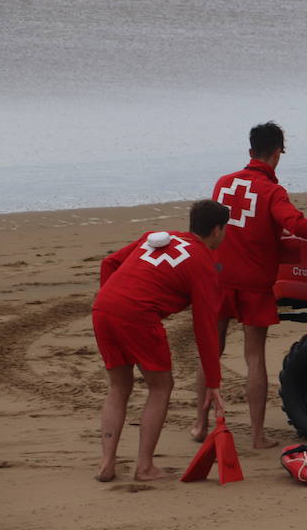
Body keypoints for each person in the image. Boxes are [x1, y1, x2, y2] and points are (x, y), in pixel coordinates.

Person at [191, 121, 307, 449]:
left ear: (250, 151)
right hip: (253, 283)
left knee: (211, 351)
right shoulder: (272, 191)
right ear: (278, 153)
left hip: (217, 277)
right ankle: (257, 435)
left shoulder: (222, 184)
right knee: (254, 358)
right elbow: (294, 223)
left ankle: (198, 424)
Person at [92, 199, 230, 482]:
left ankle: (106, 464)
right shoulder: (203, 264)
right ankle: (144, 467)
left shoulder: (156, 237)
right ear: (216, 230)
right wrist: (213, 383)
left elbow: (110, 262)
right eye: (225, 230)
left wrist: (114, 299)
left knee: (119, 387)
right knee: (161, 385)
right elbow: (205, 328)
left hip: (103, 307)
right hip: (137, 315)